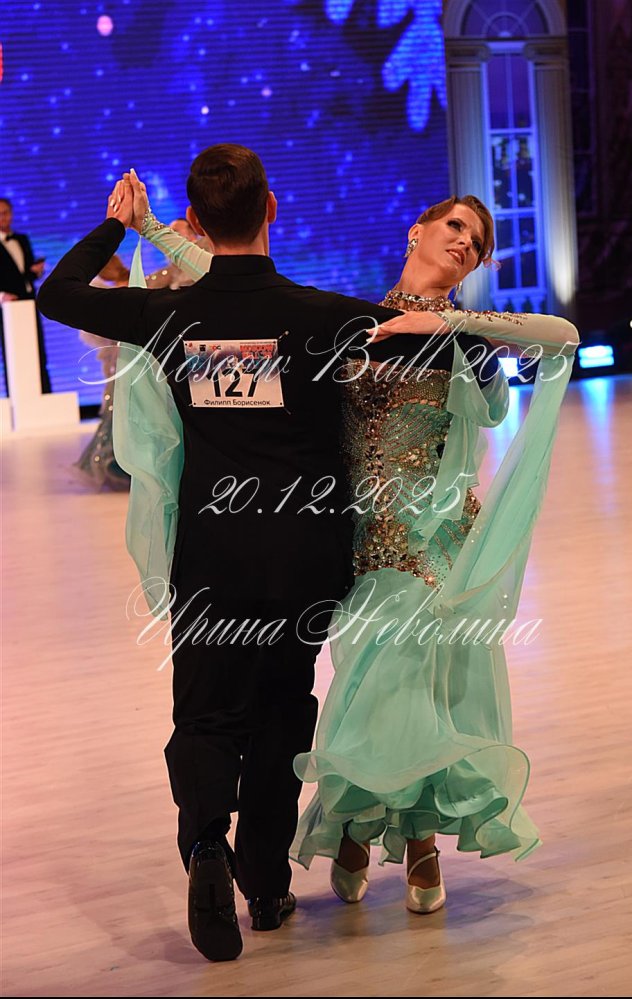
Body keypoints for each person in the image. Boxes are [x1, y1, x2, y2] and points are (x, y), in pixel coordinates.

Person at [37, 144, 497, 961]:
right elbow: (436, 345)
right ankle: (265, 884)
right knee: (283, 709)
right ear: (273, 209)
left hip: (212, 555)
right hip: (302, 559)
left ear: (199, 219)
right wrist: (469, 325)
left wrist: (118, 228)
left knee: (206, 714)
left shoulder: (172, 316)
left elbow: (58, 292)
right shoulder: (320, 316)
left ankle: (206, 846)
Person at [137, 191, 579, 914]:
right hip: (349, 541)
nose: (465, 242)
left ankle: (409, 838)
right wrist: (154, 229)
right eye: (455, 225)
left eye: (478, 241)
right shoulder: (346, 320)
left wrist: (450, 322)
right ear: (417, 230)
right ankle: (362, 826)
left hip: (432, 544)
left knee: (410, 689)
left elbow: (561, 333)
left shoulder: (463, 337)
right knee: (370, 689)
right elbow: (233, 282)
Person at [75, 255, 131, 490]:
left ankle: (117, 464)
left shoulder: (112, 294)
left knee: (117, 409)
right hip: (128, 357)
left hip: (124, 358)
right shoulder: (134, 286)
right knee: (120, 410)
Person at [0, 196, 51, 393]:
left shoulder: (22, 239)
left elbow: (24, 274)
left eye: (6, 213)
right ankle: (16, 396)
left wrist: (36, 271)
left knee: (37, 350)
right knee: (13, 352)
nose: (3, 217)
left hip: (29, 302)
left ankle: (45, 393)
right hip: (7, 308)